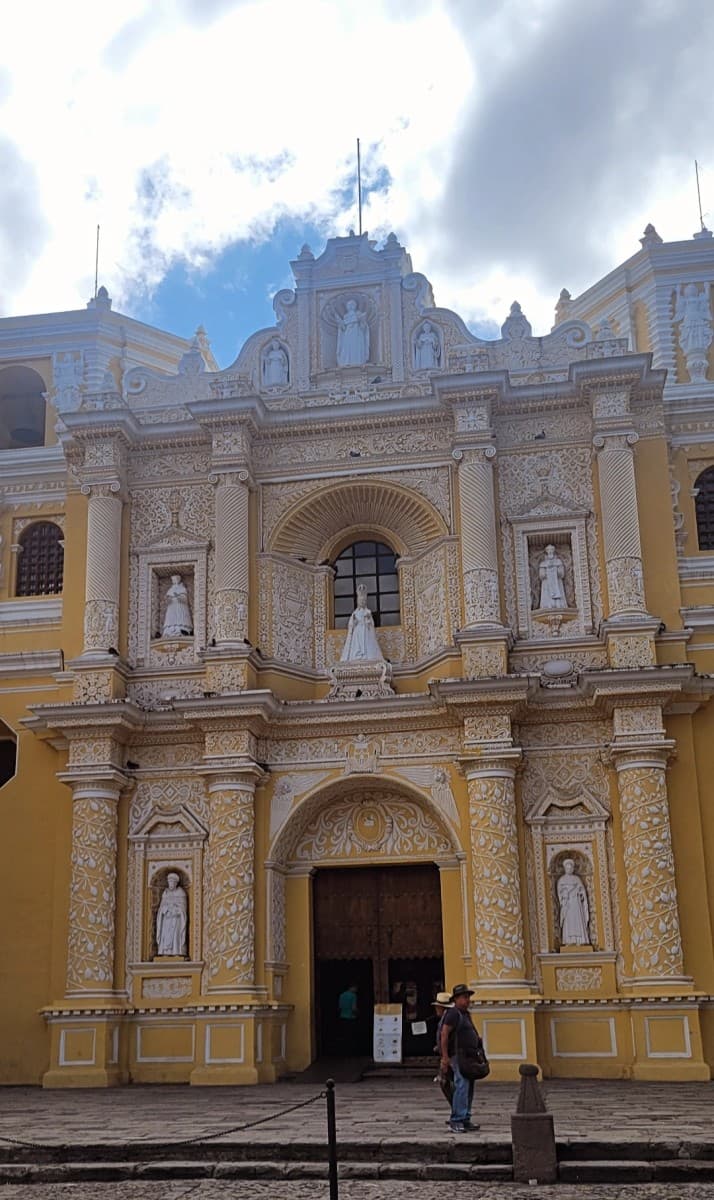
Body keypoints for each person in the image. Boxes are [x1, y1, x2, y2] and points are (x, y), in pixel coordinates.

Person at [440, 984, 481, 1133]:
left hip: (469, 1055)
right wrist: (445, 1057)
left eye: (468, 997)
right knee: (461, 1086)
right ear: (456, 999)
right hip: (458, 1055)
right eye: (464, 997)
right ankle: (457, 1119)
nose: (467, 1000)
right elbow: (444, 1034)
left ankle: (465, 1117)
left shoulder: (465, 1014)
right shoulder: (453, 1013)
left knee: (468, 1087)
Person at [340, 584, 384, 662]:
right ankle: (358, 654)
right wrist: (353, 622)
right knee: (357, 645)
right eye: (360, 601)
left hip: (366, 632)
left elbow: (371, 624)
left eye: (363, 601)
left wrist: (368, 621)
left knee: (367, 645)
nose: (362, 602)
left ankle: (366, 655)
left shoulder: (368, 612)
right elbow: (351, 625)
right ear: (358, 601)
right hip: (357, 632)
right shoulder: (355, 613)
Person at [156, 872, 188, 956]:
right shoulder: (165, 893)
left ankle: (176, 951)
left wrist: (176, 910)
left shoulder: (181, 893)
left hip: (176, 919)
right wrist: (165, 909)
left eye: (172, 882)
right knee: (166, 935)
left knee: (175, 936)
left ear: (176, 883)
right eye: (169, 882)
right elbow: (161, 908)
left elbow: (183, 908)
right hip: (166, 919)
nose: (171, 884)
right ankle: (165, 953)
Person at [432, 991, 455, 1107]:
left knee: (447, 1083)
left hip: (450, 1055)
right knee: (446, 1083)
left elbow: (445, 1036)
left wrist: (445, 1057)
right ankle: (456, 1110)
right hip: (447, 1054)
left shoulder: (448, 1018)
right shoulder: (445, 1018)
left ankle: (457, 1110)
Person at [337, 983, 359, 1052]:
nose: (356, 990)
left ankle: (344, 1050)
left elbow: (339, 1007)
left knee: (344, 1035)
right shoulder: (353, 995)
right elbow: (354, 1008)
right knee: (351, 1036)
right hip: (351, 1018)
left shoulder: (342, 995)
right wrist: (358, 1013)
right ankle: (351, 1050)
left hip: (343, 1017)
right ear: (351, 987)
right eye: (355, 988)